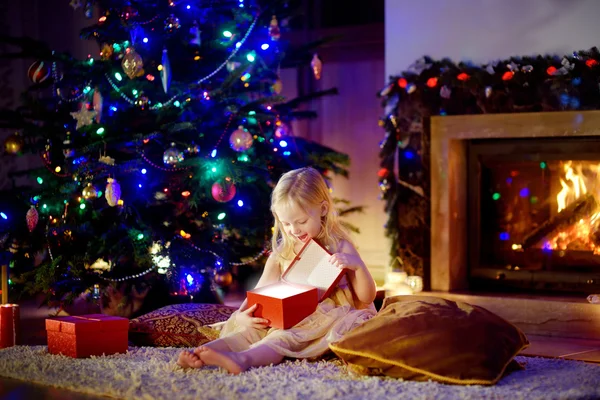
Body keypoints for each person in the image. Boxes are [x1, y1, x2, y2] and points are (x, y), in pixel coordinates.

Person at [177, 167, 377, 374]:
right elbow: (261, 289)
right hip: (285, 311)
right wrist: (242, 315)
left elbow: (367, 296)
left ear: (323, 210)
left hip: (323, 315)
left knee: (281, 337)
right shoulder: (283, 252)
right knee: (252, 330)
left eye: (301, 222)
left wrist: (357, 265)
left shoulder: (340, 246)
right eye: (286, 223)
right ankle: (201, 353)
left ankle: (242, 359)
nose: (294, 230)